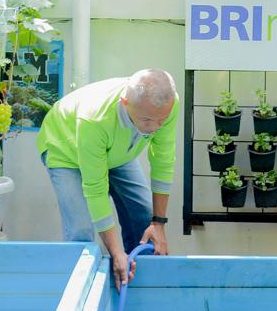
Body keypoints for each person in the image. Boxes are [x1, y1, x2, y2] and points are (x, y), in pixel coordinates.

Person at [37, 69, 178, 288]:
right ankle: (81, 293)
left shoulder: (168, 105)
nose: (154, 128)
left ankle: (136, 284)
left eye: (161, 120)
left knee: (143, 216)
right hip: (66, 150)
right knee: (81, 230)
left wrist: (159, 224)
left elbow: (163, 161)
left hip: (117, 151)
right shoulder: (94, 117)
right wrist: (116, 251)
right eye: (147, 120)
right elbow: (95, 188)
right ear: (125, 103)